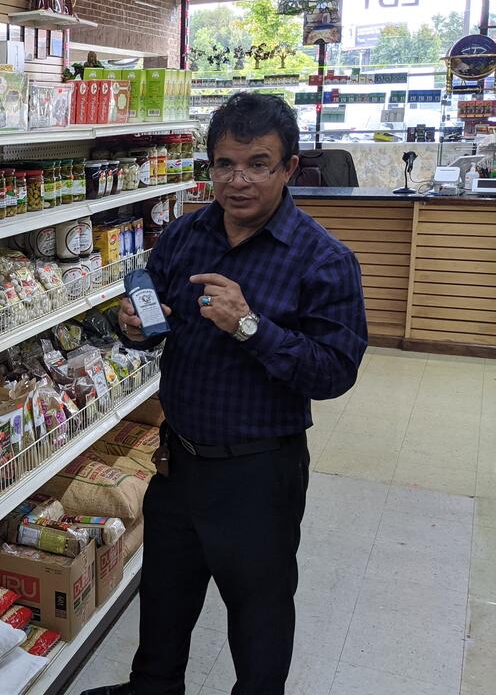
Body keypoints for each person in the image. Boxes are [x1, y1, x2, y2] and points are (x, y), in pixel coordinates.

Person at [85, 92, 367, 695]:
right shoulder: (188, 235)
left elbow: (335, 371)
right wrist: (130, 326)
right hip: (177, 459)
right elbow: (142, 321)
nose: (239, 181)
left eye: (258, 164)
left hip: (260, 472)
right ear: (209, 165)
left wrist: (250, 326)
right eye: (225, 164)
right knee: (164, 597)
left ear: (289, 168)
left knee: (258, 614)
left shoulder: (324, 260)